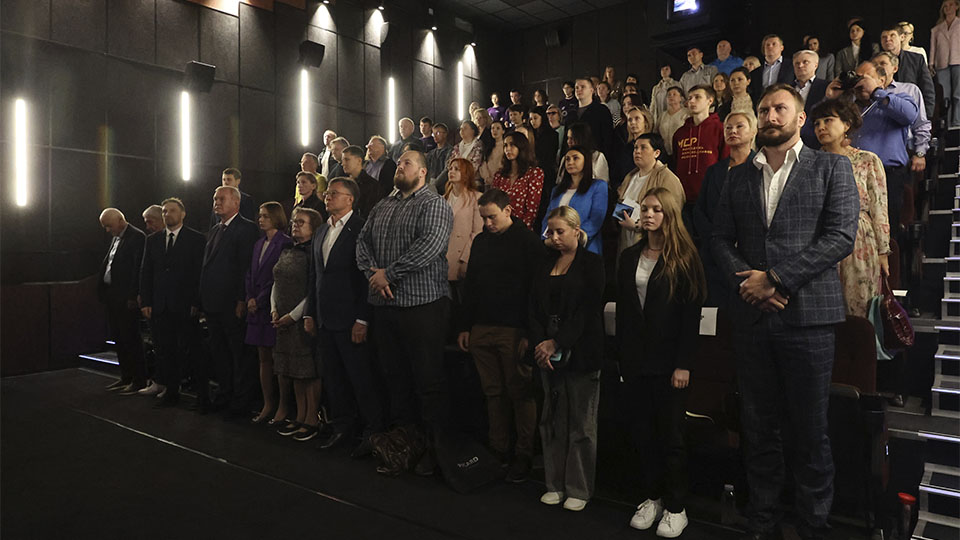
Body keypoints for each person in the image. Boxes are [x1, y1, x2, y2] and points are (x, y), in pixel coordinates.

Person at [711, 84, 860, 540]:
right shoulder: (738, 175)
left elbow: (840, 237)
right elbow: (719, 239)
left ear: (800, 118)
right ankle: (763, 519)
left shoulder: (832, 167)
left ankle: (813, 525)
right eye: (763, 110)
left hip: (809, 319)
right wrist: (749, 283)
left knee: (811, 431)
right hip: (753, 318)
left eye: (780, 108)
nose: (770, 116)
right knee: (758, 429)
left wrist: (775, 279)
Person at [356, 150, 455, 475]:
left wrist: (389, 273)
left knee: (427, 381)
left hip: (422, 305)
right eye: (398, 163)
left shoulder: (434, 204)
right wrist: (374, 274)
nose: (400, 167)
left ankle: (435, 450)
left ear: (423, 172)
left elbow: (430, 246)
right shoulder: (383, 204)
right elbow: (362, 242)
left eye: (407, 163)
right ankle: (403, 447)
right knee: (394, 378)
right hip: (385, 306)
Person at [619, 187, 706, 539]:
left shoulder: (684, 258)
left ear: (669, 213)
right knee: (643, 434)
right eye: (645, 208)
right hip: (636, 361)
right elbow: (626, 313)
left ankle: (676, 506)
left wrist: (684, 363)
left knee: (672, 437)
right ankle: (652, 498)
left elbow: (690, 315)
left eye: (656, 209)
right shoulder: (630, 256)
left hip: (670, 363)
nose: (649, 214)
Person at [457, 188, 546, 482]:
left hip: (513, 328)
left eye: (492, 217)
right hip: (482, 326)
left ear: (508, 211)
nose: (487, 223)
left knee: (520, 392)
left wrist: (530, 333)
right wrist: (465, 326)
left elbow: (536, 292)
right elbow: (471, 285)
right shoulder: (481, 241)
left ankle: (524, 453)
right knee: (492, 392)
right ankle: (498, 448)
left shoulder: (528, 242)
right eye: (483, 218)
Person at [529, 206, 604, 512]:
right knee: (552, 419)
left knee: (581, 423)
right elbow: (532, 306)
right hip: (546, 349)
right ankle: (554, 483)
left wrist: (557, 342)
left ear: (576, 230)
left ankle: (579, 488)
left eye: (561, 231)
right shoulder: (543, 263)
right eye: (551, 232)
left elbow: (588, 310)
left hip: (581, 349)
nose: (555, 237)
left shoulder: (592, 263)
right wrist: (541, 343)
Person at [304, 178, 384, 456]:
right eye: (327, 193)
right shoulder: (322, 230)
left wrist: (363, 318)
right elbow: (314, 275)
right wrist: (310, 312)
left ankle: (372, 431)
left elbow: (365, 277)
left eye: (334, 193)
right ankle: (342, 427)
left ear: (350, 199)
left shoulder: (361, 229)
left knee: (360, 378)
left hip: (350, 318)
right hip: (325, 318)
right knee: (334, 378)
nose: (328, 197)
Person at [811, 99, 890, 318]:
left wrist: (883, 251)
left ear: (846, 124)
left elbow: (879, 207)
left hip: (859, 238)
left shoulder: (867, 160)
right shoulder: (809, 163)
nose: (821, 127)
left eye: (828, 120)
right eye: (817, 123)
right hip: (819, 238)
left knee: (860, 306)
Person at [825, 61, 918, 238]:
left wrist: (876, 92)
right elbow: (816, 132)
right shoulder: (846, 109)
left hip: (888, 176)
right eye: (857, 78)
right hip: (850, 176)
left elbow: (910, 115)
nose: (859, 82)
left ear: (881, 80)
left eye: (865, 77)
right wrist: (831, 99)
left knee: (887, 234)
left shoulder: (896, 99)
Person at [139, 198, 206, 405]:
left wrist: (197, 302)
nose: (168, 214)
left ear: (183, 214)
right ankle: (171, 392)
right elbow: (146, 272)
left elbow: (199, 273)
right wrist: (146, 301)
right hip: (161, 304)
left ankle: (202, 397)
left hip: (185, 304)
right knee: (165, 350)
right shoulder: (153, 240)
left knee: (192, 351)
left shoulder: (196, 239)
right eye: (165, 211)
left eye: (172, 211)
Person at [200, 186, 260, 415]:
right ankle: (225, 393)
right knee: (220, 353)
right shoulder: (216, 229)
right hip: (213, 303)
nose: (216, 202)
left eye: (221, 199)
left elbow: (245, 267)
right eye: (215, 198)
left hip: (232, 304)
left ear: (236, 202)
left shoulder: (247, 228)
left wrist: (241, 299)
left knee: (239, 354)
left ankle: (241, 400)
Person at [694, 111, 757, 308]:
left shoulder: (761, 167)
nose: (732, 131)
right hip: (713, 254)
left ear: (753, 131)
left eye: (739, 126)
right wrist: (716, 240)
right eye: (728, 128)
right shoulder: (714, 170)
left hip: (749, 255)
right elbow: (699, 210)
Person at [271, 207, 323, 442]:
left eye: (301, 222)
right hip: (281, 318)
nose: (295, 225)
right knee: (292, 370)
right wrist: (273, 308)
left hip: (302, 318)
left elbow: (314, 289)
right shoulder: (287, 248)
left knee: (307, 371)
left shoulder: (314, 253)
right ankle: (300, 415)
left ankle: (312, 418)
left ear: (314, 227)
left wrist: (293, 315)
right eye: (294, 221)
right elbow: (276, 281)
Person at [245, 202, 293, 423]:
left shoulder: (285, 243)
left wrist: (261, 299)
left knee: (279, 360)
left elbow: (278, 277)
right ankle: (267, 404)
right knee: (263, 358)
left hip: (273, 307)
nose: (261, 219)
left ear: (276, 217)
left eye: (265, 216)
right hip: (256, 308)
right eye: (260, 216)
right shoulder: (258, 243)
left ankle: (283, 406)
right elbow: (250, 273)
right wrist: (249, 297)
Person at [98, 207, 147, 395]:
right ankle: (126, 376)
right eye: (105, 227)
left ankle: (138, 379)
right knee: (118, 337)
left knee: (131, 338)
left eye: (109, 226)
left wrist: (133, 295)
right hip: (113, 295)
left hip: (126, 297)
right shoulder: (116, 237)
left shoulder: (137, 237)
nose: (107, 230)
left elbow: (137, 269)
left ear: (120, 220)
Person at [616, 133, 685, 255]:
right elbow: (620, 205)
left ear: (656, 153)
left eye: (643, 147)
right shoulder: (630, 176)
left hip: (655, 244)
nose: (637, 151)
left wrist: (638, 226)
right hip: (627, 241)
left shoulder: (667, 178)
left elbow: (673, 214)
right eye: (635, 148)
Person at [541, 147, 608, 255]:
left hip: (585, 247)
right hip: (555, 246)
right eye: (567, 159)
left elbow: (595, 220)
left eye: (575, 158)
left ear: (586, 161)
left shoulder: (598, 186)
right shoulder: (557, 189)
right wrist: (546, 239)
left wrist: (571, 239)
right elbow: (548, 217)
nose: (570, 162)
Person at [873, 52, 932, 174]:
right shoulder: (865, 93)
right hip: (872, 155)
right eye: (875, 64)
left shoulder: (909, 90)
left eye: (883, 63)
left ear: (895, 68)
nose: (878, 67)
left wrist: (920, 153)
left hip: (904, 153)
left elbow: (921, 124)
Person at [673, 85, 727, 207]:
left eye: (697, 97)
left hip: (712, 197)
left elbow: (725, 162)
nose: (692, 101)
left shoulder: (720, 129)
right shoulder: (679, 133)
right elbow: (676, 162)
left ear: (710, 101)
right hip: (683, 197)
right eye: (690, 98)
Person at [443, 157, 483, 319]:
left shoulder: (476, 198)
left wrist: (466, 258)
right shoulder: (443, 198)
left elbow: (477, 232)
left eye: (457, 169)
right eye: (450, 168)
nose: (451, 172)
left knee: (461, 301)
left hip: (462, 256)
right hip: (443, 255)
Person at [880, 23, 936, 120]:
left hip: (912, 113)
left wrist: (926, 117)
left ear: (902, 37)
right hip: (883, 115)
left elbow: (928, 90)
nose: (888, 39)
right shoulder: (874, 63)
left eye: (892, 35)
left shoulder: (917, 59)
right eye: (884, 37)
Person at [492, 131, 545, 230]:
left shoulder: (534, 173)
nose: (508, 149)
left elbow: (532, 209)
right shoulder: (499, 175)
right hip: (499, 227)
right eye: (505, 145)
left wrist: (520, 230)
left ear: (521, 147)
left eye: (512, 145)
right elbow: (493, 202)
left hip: (522, 229)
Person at [565, 77, 614, 162]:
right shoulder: (571, 114)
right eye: (577, 88)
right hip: (573, 160)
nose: (579, 90)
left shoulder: (601, 111)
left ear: (592, 90)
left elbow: (608, 138)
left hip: (595, 159)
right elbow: (565, 141)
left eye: (583, 87)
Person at [931, 0, 960, 127]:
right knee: (944, 95)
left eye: (951, 5)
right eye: (945, 6)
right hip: (942, 63)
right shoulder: (937, 29)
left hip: (958, 61)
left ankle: (957, 122)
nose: (948, 8)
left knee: (958, 94)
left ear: (957, 6)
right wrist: (931, 63)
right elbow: (933, 47)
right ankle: (946, 123)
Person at [793, 50, 830, 148]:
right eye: (797, 63)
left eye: (805, 62)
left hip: (815, 140)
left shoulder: (826, 87)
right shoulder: (787, 88)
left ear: (816, 65)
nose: (800, 66)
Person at [612, 106, 655, 187]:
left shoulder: (655, 145)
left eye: (637, 118)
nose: (633, 122)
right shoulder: (625, 149)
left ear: (645, 122)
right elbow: (616, 175)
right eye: (630, 120)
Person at [341, 145, 384, 218]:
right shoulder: (343, 183)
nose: (343, 164)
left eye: (347, 160)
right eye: (342, 160)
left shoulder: (372, 186)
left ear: (359, 161)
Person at [749, 35, 795, 99]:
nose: (770, 47)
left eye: (774, 44)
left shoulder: (792, 66)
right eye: (767, 45)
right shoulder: (755, 72)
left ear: (782, 48)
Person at [530, 106, 560, 182]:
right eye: (531, 119)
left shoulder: (552, 135)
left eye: (535, 118)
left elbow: (550, 156)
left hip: (547, 172)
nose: (532, 121)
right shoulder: (530, 134)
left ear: (542, 118)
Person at [658, 87, 690, 158]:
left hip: (682, 151)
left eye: (674, 94)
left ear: (681, 98)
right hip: (665, 153)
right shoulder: (663, 115)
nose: (671, 97)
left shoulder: (687, 113)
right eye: (669, 95)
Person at [479, 120, 506, 186]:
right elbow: (483, 163)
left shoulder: (506, 146)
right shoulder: (488, 146)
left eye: (498, 128)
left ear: (503, 131)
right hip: (488, 181)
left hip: (502, 181)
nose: (494, 130)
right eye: (492, 128)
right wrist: (487, 177)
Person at [427, 123, 454, 188]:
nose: (435, 136)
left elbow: (446, 169)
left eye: (438, 133)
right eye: (433, 134)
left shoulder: (450, 150)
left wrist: (435, 183)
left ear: (445, 134)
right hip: (430, 184)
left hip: (444, 185)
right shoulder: (431, 153)